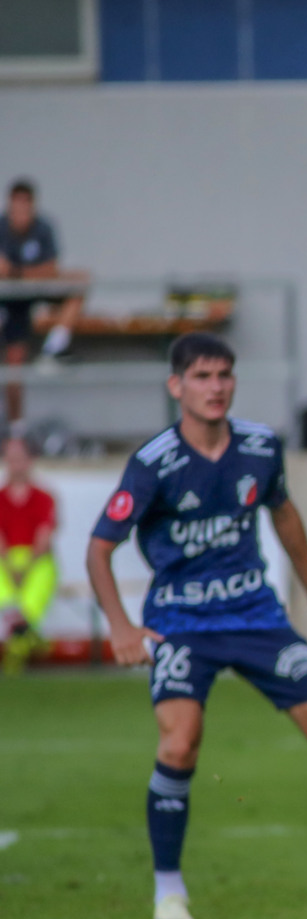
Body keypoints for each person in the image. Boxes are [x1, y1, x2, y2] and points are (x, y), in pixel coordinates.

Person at [86, 333, 307, 919]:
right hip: (180, 624)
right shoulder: (154, 464)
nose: (215, 387)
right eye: (202, 377)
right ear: (176, 386)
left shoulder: (260, 447)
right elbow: (100, 548)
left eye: (224, 375)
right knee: (179, 744)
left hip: (255, 616)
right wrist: (122, 625)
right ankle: (169, 891)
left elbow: (283, 512)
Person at [1, 179, 86, 421]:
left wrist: (17, 273)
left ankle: (53, 349)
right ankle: (14, 430)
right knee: (14, 367)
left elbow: (51, 269)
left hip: (34, 293)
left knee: (80, 281)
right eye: (16, 209)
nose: (20, 215)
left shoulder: (43, 228)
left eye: (25, 208)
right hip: (8, 302)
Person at [0, 434, 57, 673]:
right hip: (6, 558)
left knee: (39, 580)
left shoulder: (44, 497)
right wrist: (12, 567)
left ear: (30, 461)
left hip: (35, 559)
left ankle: (19, 644)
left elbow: (43, 539)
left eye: (20, 459)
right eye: (11, 459)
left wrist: (26, 568)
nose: (16, 465)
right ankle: (26, 637)